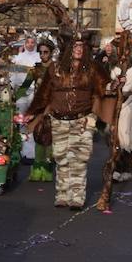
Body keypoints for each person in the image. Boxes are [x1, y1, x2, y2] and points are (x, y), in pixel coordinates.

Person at [26, 31, 107, 209]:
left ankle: (77, 197)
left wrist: (116, 85)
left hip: (83, 120)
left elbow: (105, 90)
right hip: (58, 120)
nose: (79, 49)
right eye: (75, 46)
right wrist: (32, 112)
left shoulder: (93, 69)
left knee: (79, 159)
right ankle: (62, 193)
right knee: (62, 158)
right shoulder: (54, 69)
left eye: (82, 46)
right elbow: (44, 93)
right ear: (69, 48)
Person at [105, 34, 132, 183]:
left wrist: (118, 87)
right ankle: (115, 167)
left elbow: (129, 87)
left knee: (126, 137)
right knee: (114, 137)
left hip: (128, 105)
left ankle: (125, 168)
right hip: (113, 105)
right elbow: (108, 84)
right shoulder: (113, 65)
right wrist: (113, 86)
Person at [16, 38, 56, 181]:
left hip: (53, 107)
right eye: (40, 52)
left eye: (46, 52)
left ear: (51, 53)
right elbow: (25, 86)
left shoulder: (57, 69)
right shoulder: (36, 69)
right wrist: (13, 98)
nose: (43, 55)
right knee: (38, 137)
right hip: (38, 107)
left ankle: (47, 170)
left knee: (50, 138)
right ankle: (37, 169)